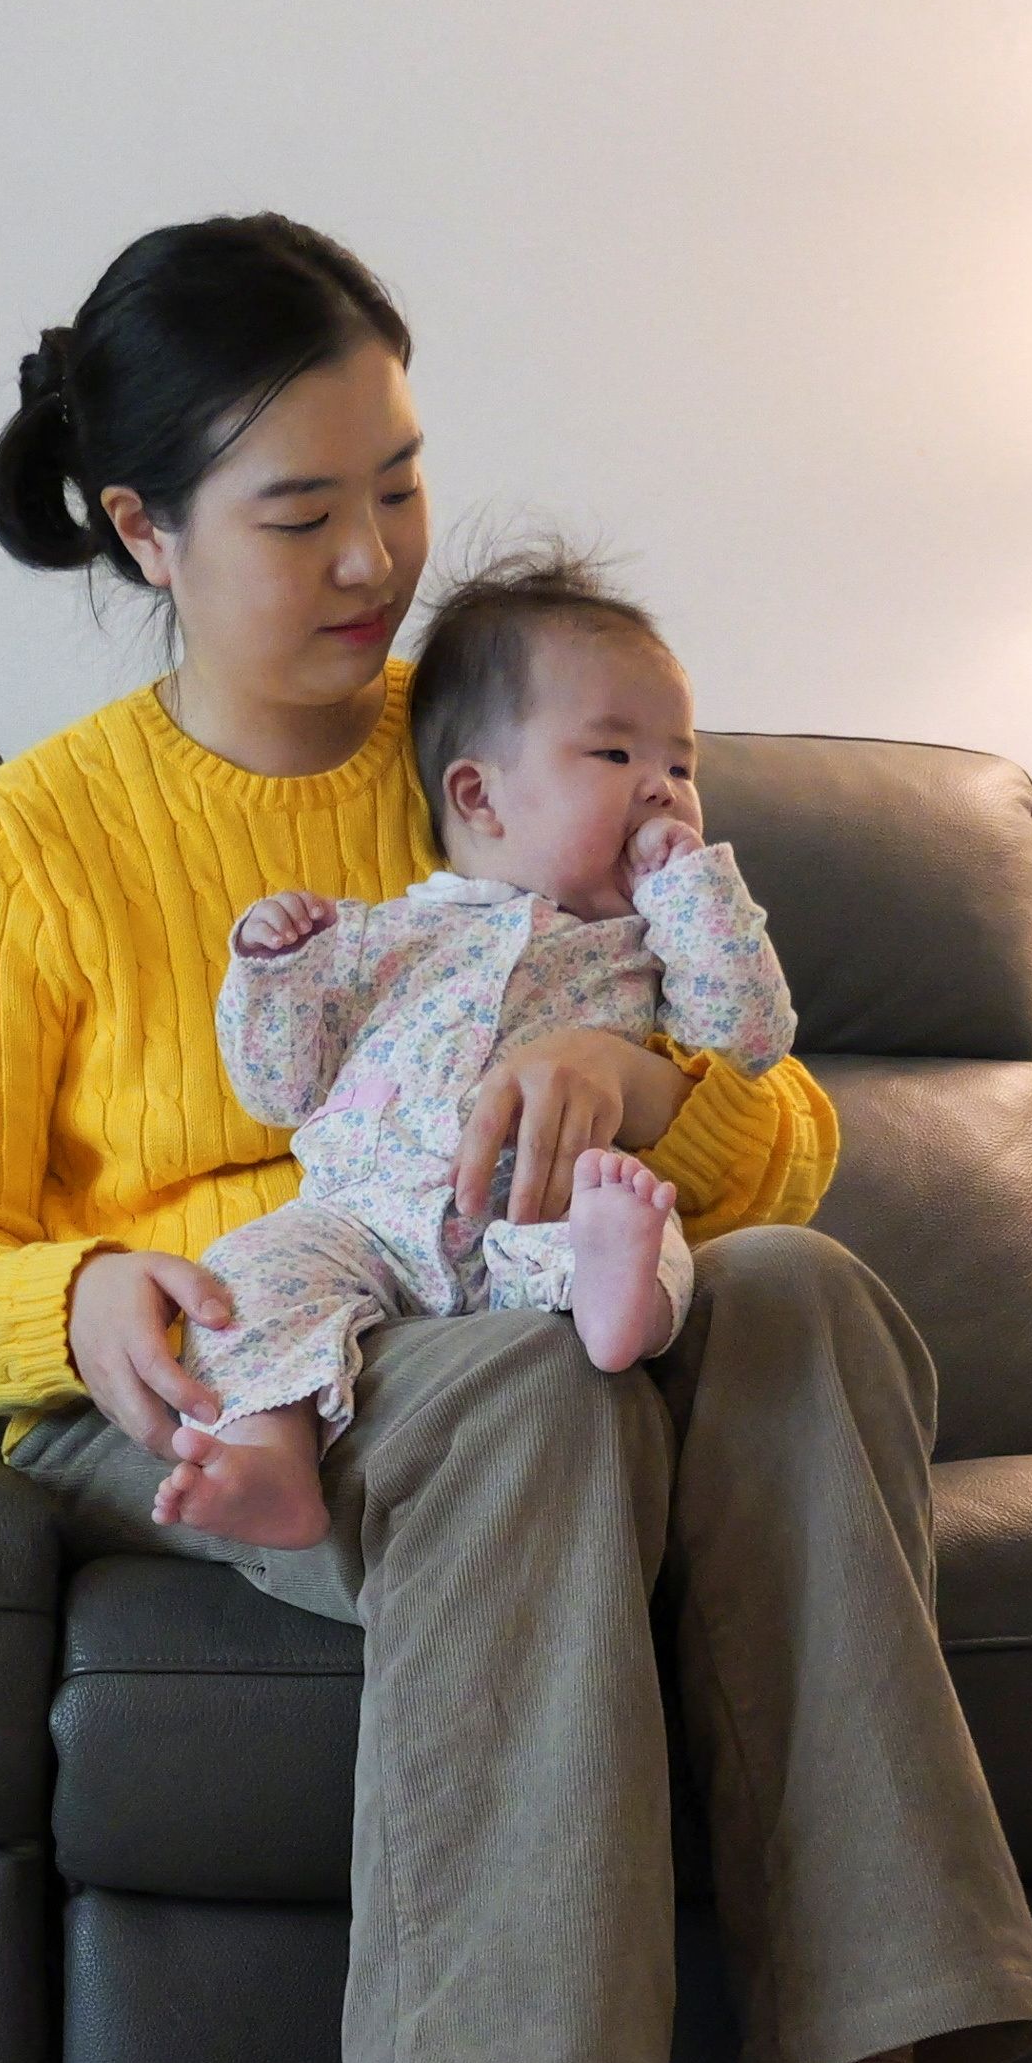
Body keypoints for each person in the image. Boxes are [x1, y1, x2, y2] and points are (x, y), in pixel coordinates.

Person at [0, 212, 1032, 2063]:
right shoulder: (30, 847)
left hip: (543, 1291)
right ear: (144, 531)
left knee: (801, 1294)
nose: (372, 558)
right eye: (300, 512)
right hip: (251, 1365)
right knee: (522, 1393)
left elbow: (784, 1130)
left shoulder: (524, 734)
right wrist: (76, 1298)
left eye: (398, 486)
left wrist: (625, 1062)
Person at [154, 549, 774, 1552]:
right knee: (245, 1273)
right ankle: (270, 1456)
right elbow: (279, 1087)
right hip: (363, 1226)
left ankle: (624, 1312)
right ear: (479, 797)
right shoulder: (388, 935)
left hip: (531, 1218)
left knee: (630, 1219)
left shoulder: (647, 947)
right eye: (616, 757)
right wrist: (276, 968)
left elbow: (745, 1039)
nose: (661, 790)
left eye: (681, 766)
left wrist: (690, 886)